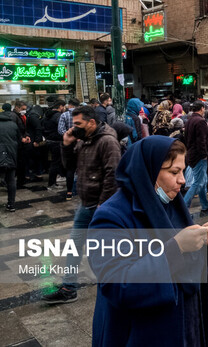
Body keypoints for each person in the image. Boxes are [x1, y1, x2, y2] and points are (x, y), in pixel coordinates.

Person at [88, 137, 208, 346]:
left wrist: (201, 242)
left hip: (184, 326)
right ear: (147, 171)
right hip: (143, 333)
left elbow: (188, 265)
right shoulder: (110, 216)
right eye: (174, 172)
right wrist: (177, 247)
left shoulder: (171, 203)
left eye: (183, 171)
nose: (183, 180)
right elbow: (118, 285)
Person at [42, 105, 121, 304]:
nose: (74, 127)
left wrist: (104, 206)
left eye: (78, 123)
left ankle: (116, 284)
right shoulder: (85, 140)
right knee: (75, 245)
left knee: (103, 249)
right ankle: (69, 287)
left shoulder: (107, 141)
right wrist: (66, 144)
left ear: (91, 123)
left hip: (99, 206)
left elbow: (113, 175)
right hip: (86, 204)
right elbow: (69, 166)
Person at [0, 103, 24, 215]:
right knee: (11, 181)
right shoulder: (13, 124)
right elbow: (18, 140)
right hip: (10, 154)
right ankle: (11, 205)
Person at [184, 102, 208, 213]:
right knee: (198, 183)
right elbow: (201, 141)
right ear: (202, 109)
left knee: (202, 180)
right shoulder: (200, 121)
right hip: (199, 155)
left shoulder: (189, 120)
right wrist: (204, 155)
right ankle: (183, 206)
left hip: (191, 153)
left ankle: (205, 204)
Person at [58, 98, 81, 200]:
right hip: (81, 143)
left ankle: (69, 192)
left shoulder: (64, 115)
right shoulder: (82, 116)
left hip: (69, 145)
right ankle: (80, 190)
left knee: (70, 169)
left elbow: (60, 130)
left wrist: (68, 136)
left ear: (69, 105)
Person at [44, 100, 66, 191]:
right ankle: (52, 183)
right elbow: (61, 128)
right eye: (64, 106)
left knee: (55, 162)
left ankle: (56, 179)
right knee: (55, 162)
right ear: (60, 106)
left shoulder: (47, 115)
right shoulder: (58, 116)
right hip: (56, 141)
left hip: (49, 140)